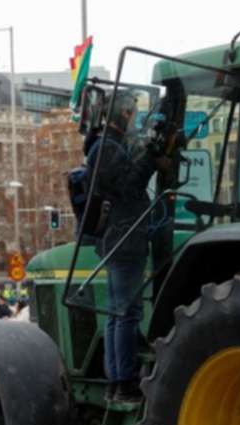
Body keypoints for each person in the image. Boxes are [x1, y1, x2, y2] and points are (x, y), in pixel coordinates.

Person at [87, 90, 165, 404]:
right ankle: (123, 382)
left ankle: (116, 381)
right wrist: (150, 160)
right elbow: (127, 187)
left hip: (121, 237)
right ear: (122, 114)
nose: (134, 116)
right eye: (132, 111)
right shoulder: (106, 147)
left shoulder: (108, 145)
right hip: (124, 237)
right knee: (125, 312)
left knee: (117, 312)